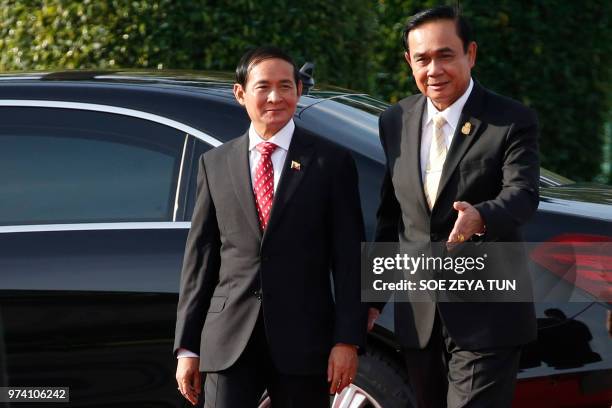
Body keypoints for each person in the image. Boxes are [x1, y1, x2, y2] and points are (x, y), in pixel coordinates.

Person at [174, 46, 367, 408]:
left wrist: (347, 340)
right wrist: (187, 347)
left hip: (306, 342)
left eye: (285, 86)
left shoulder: (330, 162)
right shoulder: (214, 164)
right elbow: (200, 263)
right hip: (228, 342)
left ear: (298, 90)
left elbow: (349, 259)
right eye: (263, 87)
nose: (275, 97)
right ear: (241, 93)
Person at [369, 6, 539, 408]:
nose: (434, 70)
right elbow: (391, 218)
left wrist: (482, 217)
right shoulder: (395, 120)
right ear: (409, 62)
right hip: (419, 314)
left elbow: (524, 193)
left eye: (446, 55)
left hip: (488, 312)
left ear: (471, 54)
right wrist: (371, 302)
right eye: (423, 59)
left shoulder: (510, 119)